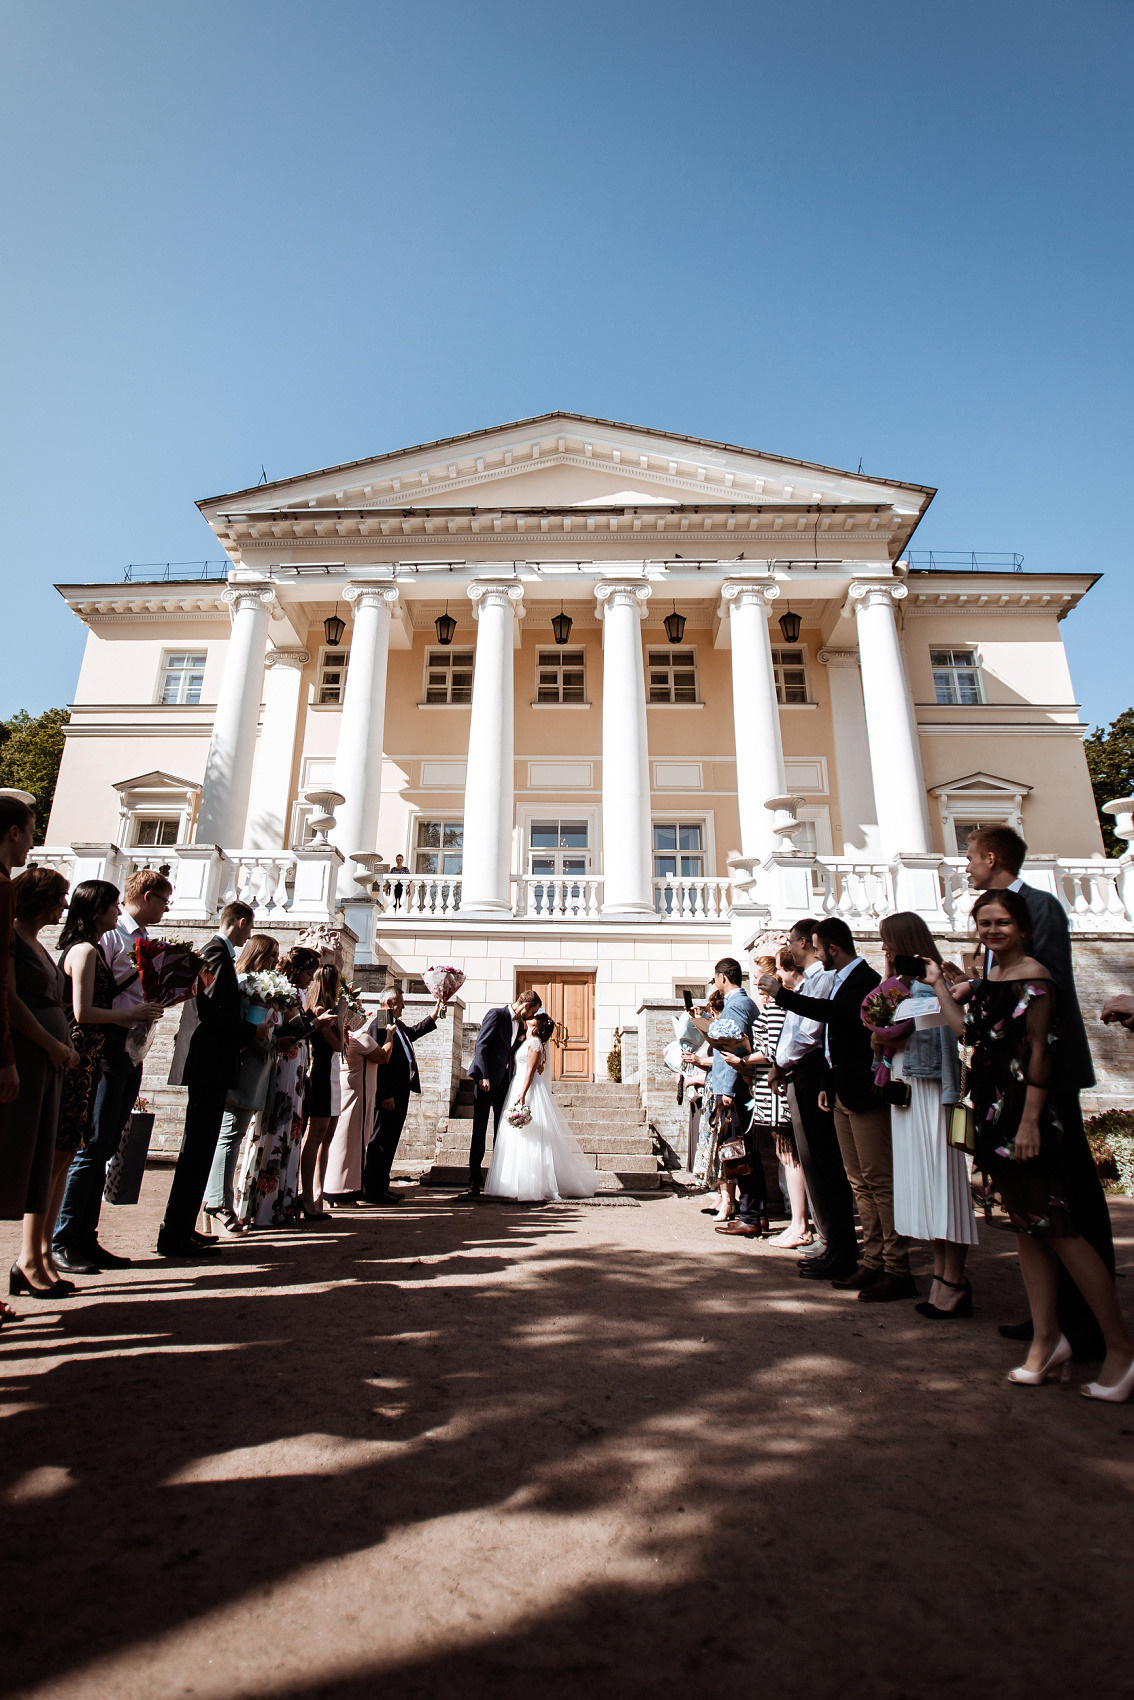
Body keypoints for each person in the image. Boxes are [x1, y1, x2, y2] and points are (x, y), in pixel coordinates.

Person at [927, 888, 1134, 1401]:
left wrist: (1031, 1123)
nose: (991, 931)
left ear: (1021, 927)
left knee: (1059, 1231)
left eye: (1001, 922)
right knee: (1026, 1229)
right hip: (994, 1112)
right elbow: (969, 1033)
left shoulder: (1035, 979)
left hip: (1025, 1117)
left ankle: (1120, 1352)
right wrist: (939, 987)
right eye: (984, 923)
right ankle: (1047, 1341)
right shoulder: (992, 977)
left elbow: (1041, 1055)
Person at [966, 825, 1116, 1360]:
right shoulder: (996, 919)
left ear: (990, 857)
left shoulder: (1038, 907)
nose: (965, 866)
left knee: (1068, 1201)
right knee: (1030, 1209)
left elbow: (1040, 992)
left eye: (968, 856)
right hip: (1004, 1084)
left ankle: (1092, 1328)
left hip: (1042, 1080)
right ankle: (1050, 1321)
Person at [762, 917, 914, 1300]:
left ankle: (896, 1266)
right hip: (840, 1087)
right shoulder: (845, 978)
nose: (810, 952)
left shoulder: (864, 979)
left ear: (831, 948)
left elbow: (833, 1019)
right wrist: (828, 1086)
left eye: (815, 945)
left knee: (877, 1181)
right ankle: (873, 1261)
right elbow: (834, 1042)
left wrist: (780, 994)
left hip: (863, 1090)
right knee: (858, 1180)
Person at [53, 868, 172, 1271]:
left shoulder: (139, 939)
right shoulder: (105, 940)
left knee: (105, 1145)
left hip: (128, 1046)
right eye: (164, 900)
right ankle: (64, 1238)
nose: (167, 908)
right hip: (105, 1046)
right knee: (94, 1143)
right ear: (149, 896)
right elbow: (88, 1001)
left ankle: (86, 1237)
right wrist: (134, 1011)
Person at [874, 912, 977, 1318]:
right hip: (907, 1091)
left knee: (943, 1185)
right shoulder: (899, 988)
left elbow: (949, 1036)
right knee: (923, 1185)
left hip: (933, 1091)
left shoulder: (937, 985)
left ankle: (954, 1280)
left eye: (887, 942)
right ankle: (942, 1277)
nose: (883, 949)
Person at [157, 901, 263, 1258]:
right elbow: (212, 1010)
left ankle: (183, 1228)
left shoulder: (217, 952)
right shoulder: (216, 952)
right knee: (197, 1148)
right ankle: (175, 1234)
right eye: (249, 927)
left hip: (212, 1062)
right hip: (208, 1062)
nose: (250, 934)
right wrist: (252, 1031)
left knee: (201, 1148)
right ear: (241, 922)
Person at [1, 867, 79, 1297]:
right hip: (29, 1058)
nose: (64, 906)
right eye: (58, 897)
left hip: (48, 1061)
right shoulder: (11, 938)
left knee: (40, 1157)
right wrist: (52, 1045)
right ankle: (28, 1260)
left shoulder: (35, 942)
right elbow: (10, 999)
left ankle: (32, 1258)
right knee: (18, 1154)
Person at [767, 919, 858, 1280]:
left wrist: (779, 1063)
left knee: (822, 1164)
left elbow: (807, 1033)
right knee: (814, 1161)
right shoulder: (813, 979)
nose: (788, 946)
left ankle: (835, 1242)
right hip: (799, 1073)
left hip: (810, 1073)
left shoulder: (823, 978)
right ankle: (830, 1240)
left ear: (806, 942)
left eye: (792, 941)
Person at [234, 946, 322, 1227]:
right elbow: (279, 1028)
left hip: (296, 1067)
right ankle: (264, 1205)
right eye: (309, 972)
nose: (311, 979)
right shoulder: (284, 992)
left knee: (292, 1131)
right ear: (297, 970)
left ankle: (283, 1203)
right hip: (283, 1064)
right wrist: (313, 1022)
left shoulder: (297, 993)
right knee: (276, 1128)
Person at [202, 933, 280, 1235]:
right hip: (244, 1066)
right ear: (258, 954)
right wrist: (267, 1038)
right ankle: (218, 1202)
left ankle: (217, 1200)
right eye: (271, 954)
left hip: (255, 1066)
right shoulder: (249, 984)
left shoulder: (257, 984)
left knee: (231, 1135)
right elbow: (251, 1028)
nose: (276, 960)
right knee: (230, 1135)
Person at [484, 1011, 598, 1200]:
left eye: (535, 1017)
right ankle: (514, 1181)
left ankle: (532, 1184)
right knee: (518, 1134)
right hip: (518, 1085)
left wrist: (523, 1093)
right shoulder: (527, 1040)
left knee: (530, 1134)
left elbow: (530, 1070)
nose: (531, 1017)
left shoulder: (535, 1043)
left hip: (527, 1088)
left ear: (537, 1025)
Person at [361, 985, 444, 1204]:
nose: (404, 1007)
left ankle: (382, 1185)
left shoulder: (395, 1024)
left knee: (390, 1140)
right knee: (380, 1141)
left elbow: (412, 1034)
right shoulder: (380, 1023)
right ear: (389, 1003)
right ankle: (373, 1189)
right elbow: (378, 1062)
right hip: (388, 1095)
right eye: (400, 1003)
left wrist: (434, 1015)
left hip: (400, 1092)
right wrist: (385, 1094)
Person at [463, 989, 542, 1198]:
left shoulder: (521, 1024)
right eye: (532, 1011)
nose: (532, 1016)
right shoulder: (496, 1015)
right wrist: (483, 1076)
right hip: (485, 1083)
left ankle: (498, 1180)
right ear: (526, 1006)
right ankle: (474, 1182)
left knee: (502, 1134)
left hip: (504, 1086)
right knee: (479, 1132)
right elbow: (481, 1045)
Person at [707, 957, 763, 1240]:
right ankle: (756, 1213)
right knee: (745, 1150)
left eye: (715, 978)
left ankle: (751, 1215)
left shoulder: (737, 1004)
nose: (715, 982)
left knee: (740, 1151)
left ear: (722, 978)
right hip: (737, 1086)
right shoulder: (744, 1002)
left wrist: (726, 1089)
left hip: (736, 1088)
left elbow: (733, 1046)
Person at [324, 1006, 395, 1203]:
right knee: (352, 1143)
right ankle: (345, 1191)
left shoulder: (341, 1037)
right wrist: (389, 1036)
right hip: (358, 1095)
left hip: (345, 1092)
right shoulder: (359, 1037)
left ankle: (333, 1188)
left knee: (341, 1140)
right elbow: (383, 1056)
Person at [299, 964, 347, 1220]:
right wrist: (341, 1015)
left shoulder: (328, 1011)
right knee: (316, 1136)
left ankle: (319, 1194)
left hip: (332, 1075)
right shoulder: (318, 1010)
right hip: (320, 1074)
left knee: (327, 1138)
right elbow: (338, 1044)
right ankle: (307, 1197)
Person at [0, 793, 37, 1106]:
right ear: (14, 832)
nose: (32, 845)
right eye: (30, 834)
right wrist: (5, 1058)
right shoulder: (3, 886)